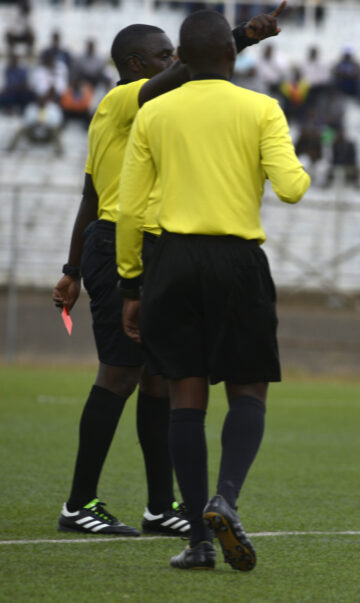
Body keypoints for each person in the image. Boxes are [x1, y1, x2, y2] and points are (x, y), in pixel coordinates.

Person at [50, 7, 284, 538]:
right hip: (117, 244)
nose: (174, 61)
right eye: (162, 56)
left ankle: (161, 507)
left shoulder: (147, 110)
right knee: (121, 373)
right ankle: (79, 502)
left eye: (175, 53)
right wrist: (240, 37)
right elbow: (191, 71)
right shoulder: (121, 100)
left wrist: (69, 269)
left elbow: (89, 193)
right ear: (136, 65)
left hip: (140, 246)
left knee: (159, 378)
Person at [116, 9, 310, 571]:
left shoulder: (154, 110)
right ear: (230, 54)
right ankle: (226, 497)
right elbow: (292, 189)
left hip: (171, 261)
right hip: (238, 261)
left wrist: (132, 283)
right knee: (248, 389)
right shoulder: (261, 109)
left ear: (181, 58)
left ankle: (199, 541)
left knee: (185, 397)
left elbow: (131, 207)